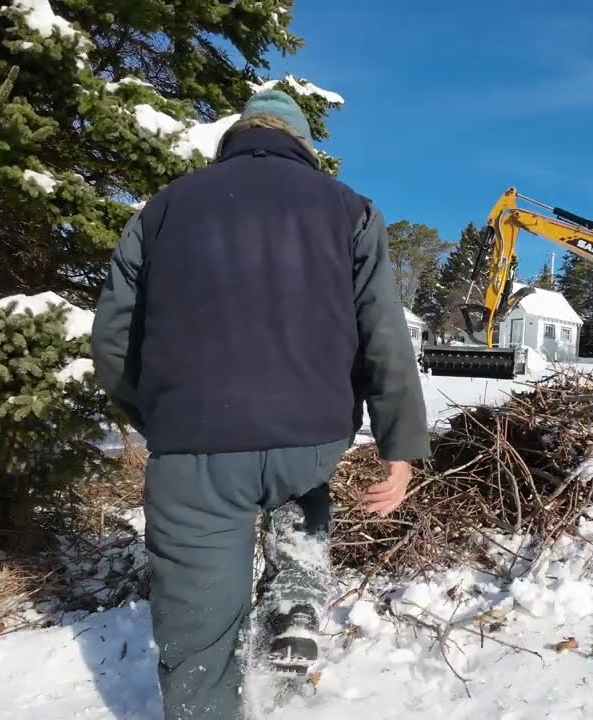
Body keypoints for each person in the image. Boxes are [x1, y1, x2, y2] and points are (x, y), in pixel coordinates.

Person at [90, 88, 430, 719]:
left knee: (199, 638)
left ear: (234, 140)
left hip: (195, 446)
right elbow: (383, 330)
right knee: (298, 490)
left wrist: (156, 413)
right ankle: (294, 600)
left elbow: (113, 336)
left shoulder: (162, 210)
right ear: (302, 146)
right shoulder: (349, 210)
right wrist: (400, 449)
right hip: (311, 437)